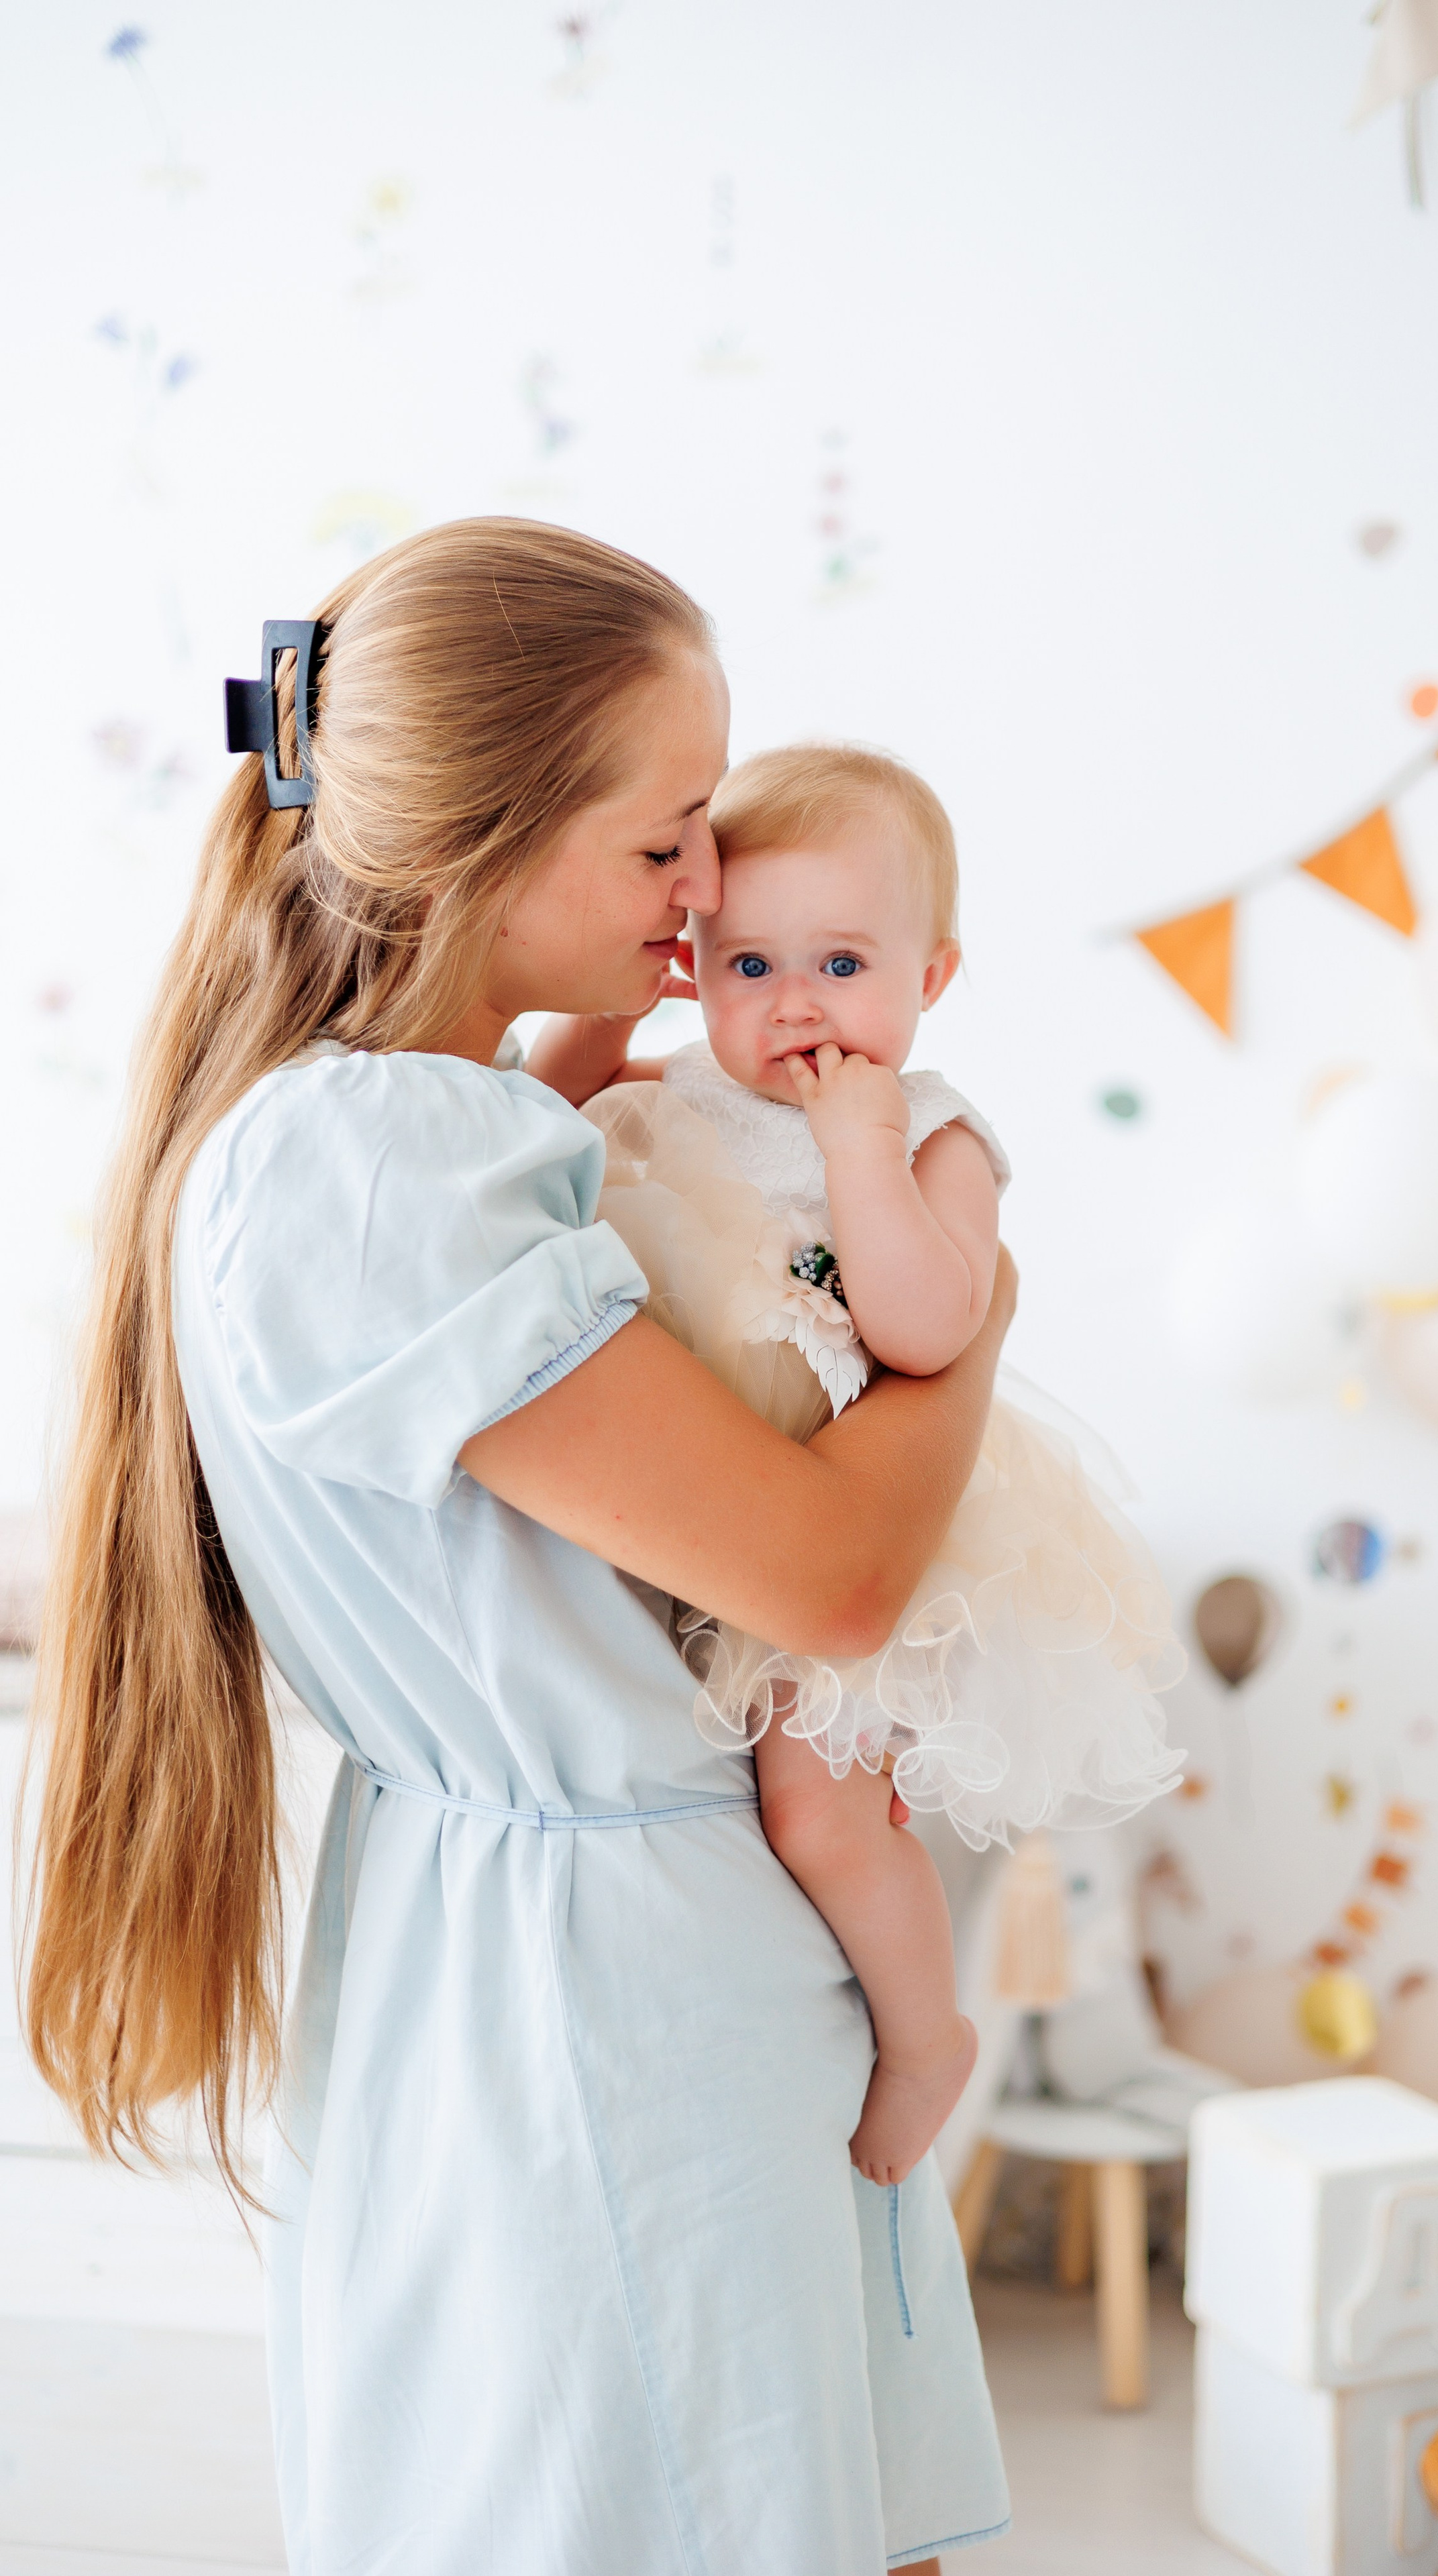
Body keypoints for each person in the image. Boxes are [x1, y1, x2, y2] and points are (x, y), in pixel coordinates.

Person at [23, 521, 1013, 2575]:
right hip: (612, 2004)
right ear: (488, 839)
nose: (704, 903)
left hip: (603, 1954)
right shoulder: (383, 1166)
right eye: (666, 844)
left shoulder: (421, 1126)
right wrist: (970, 1318)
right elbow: (832, 1578)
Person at [533, 745, 1186, 2190]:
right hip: (693, 1512)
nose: (794, 1005)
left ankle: (919, 2034)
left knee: (816, 1810)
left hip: (863, 1540)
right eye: (746, 961)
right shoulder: (676, 1087)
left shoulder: (933, 1135)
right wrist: (596, 1027)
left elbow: (927, 1322)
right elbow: (546, 1135)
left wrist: (858, 1154)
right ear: (690, 964)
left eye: (840, 962)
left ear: (931, 974)